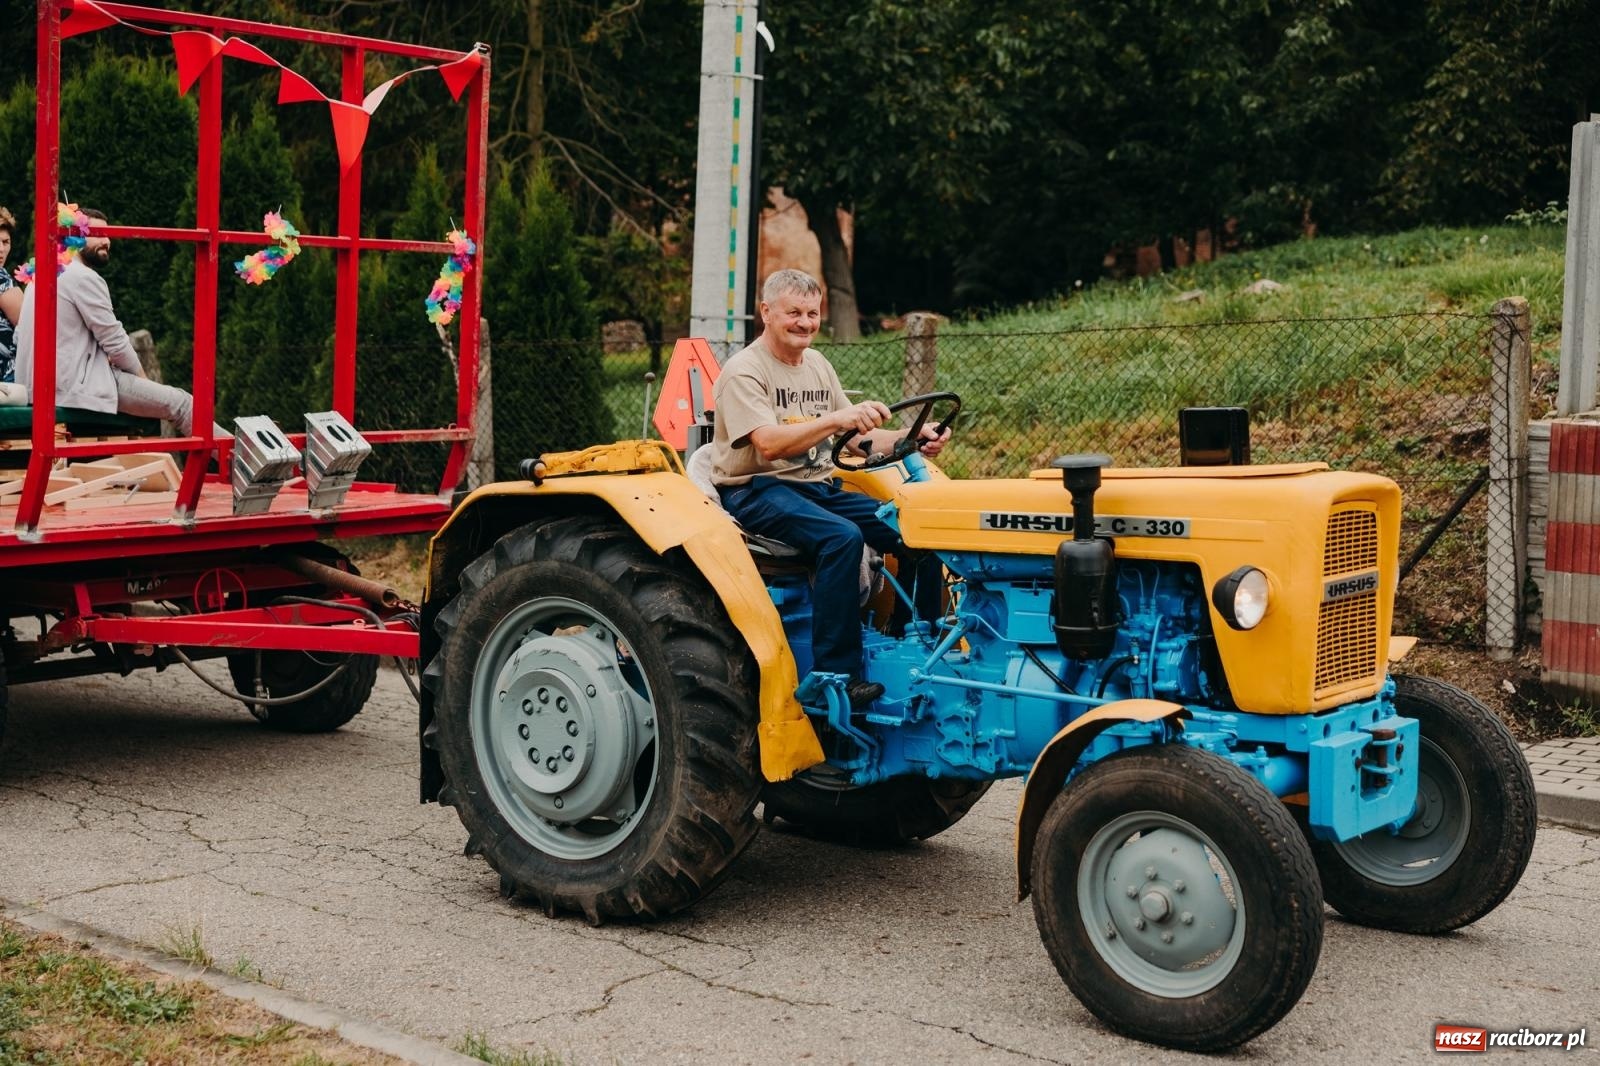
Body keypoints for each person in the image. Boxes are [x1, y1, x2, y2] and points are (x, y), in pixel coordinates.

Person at [709, 268, 950, 708]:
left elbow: (855, 439)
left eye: (812, 313)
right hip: (757, 490)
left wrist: (914, 437)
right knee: (841, 538)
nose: (805, 322)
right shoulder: (744, 371)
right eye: (793, 313)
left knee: (918, 530)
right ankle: (834, 675)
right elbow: (767, 443)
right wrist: (837, 420)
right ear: (766, 312)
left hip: (816, 487)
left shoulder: (817, 364)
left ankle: (918, 642)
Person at [14, 207, 225, 437]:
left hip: (41, 388)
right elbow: (113, 339)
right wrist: (143, 379)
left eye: (108, 235)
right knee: (183, 404)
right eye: (97, 233)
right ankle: (236, 461)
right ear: (75, 235)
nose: (106, 241)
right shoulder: (82, 277)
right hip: (74, 388)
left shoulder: (42, 273)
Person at [0, 205, 23, 399]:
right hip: (7, 380)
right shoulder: (1, 278)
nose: (1, 249)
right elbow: (30, 324)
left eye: (5, 241)